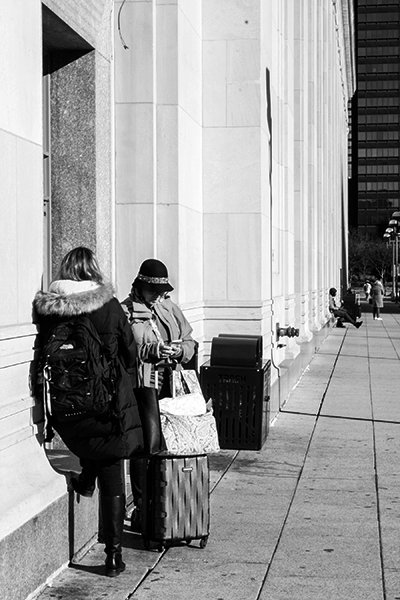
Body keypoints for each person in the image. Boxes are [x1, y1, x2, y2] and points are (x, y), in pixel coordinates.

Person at [33, 247, 143, 577]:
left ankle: (85, 478)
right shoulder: (108, 305)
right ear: (93, 270)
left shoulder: (51, 308)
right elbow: (130, 352)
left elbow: (40, 356)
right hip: (106, 405)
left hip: (67, 407)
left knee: (93, 445)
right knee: (113, 468)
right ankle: (113, 554)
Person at [121, 258, 196, 532]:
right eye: (154, 291)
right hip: (144, 386)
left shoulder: (169, 308)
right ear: (140, 287)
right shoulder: (126, 312)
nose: (159, 296)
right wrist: (150, 352)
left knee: (177, 442)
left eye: (163, 291)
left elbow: (190, 341)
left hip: (172, 383)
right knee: (147, 446)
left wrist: (179, 351)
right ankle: (144, 508)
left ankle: (172, 501)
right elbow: (122, 352)